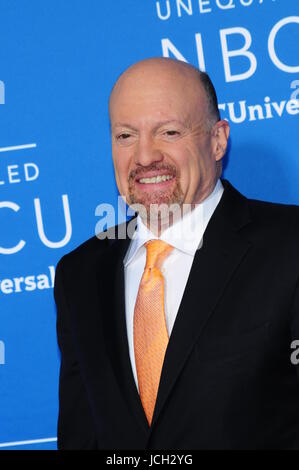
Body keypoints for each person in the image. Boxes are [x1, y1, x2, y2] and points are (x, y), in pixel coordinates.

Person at [54, 57, 299, 450]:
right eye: (125, 136)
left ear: (218, 140)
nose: (146, 156)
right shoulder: (79, 275)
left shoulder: (290, 246)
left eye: (168, 131)